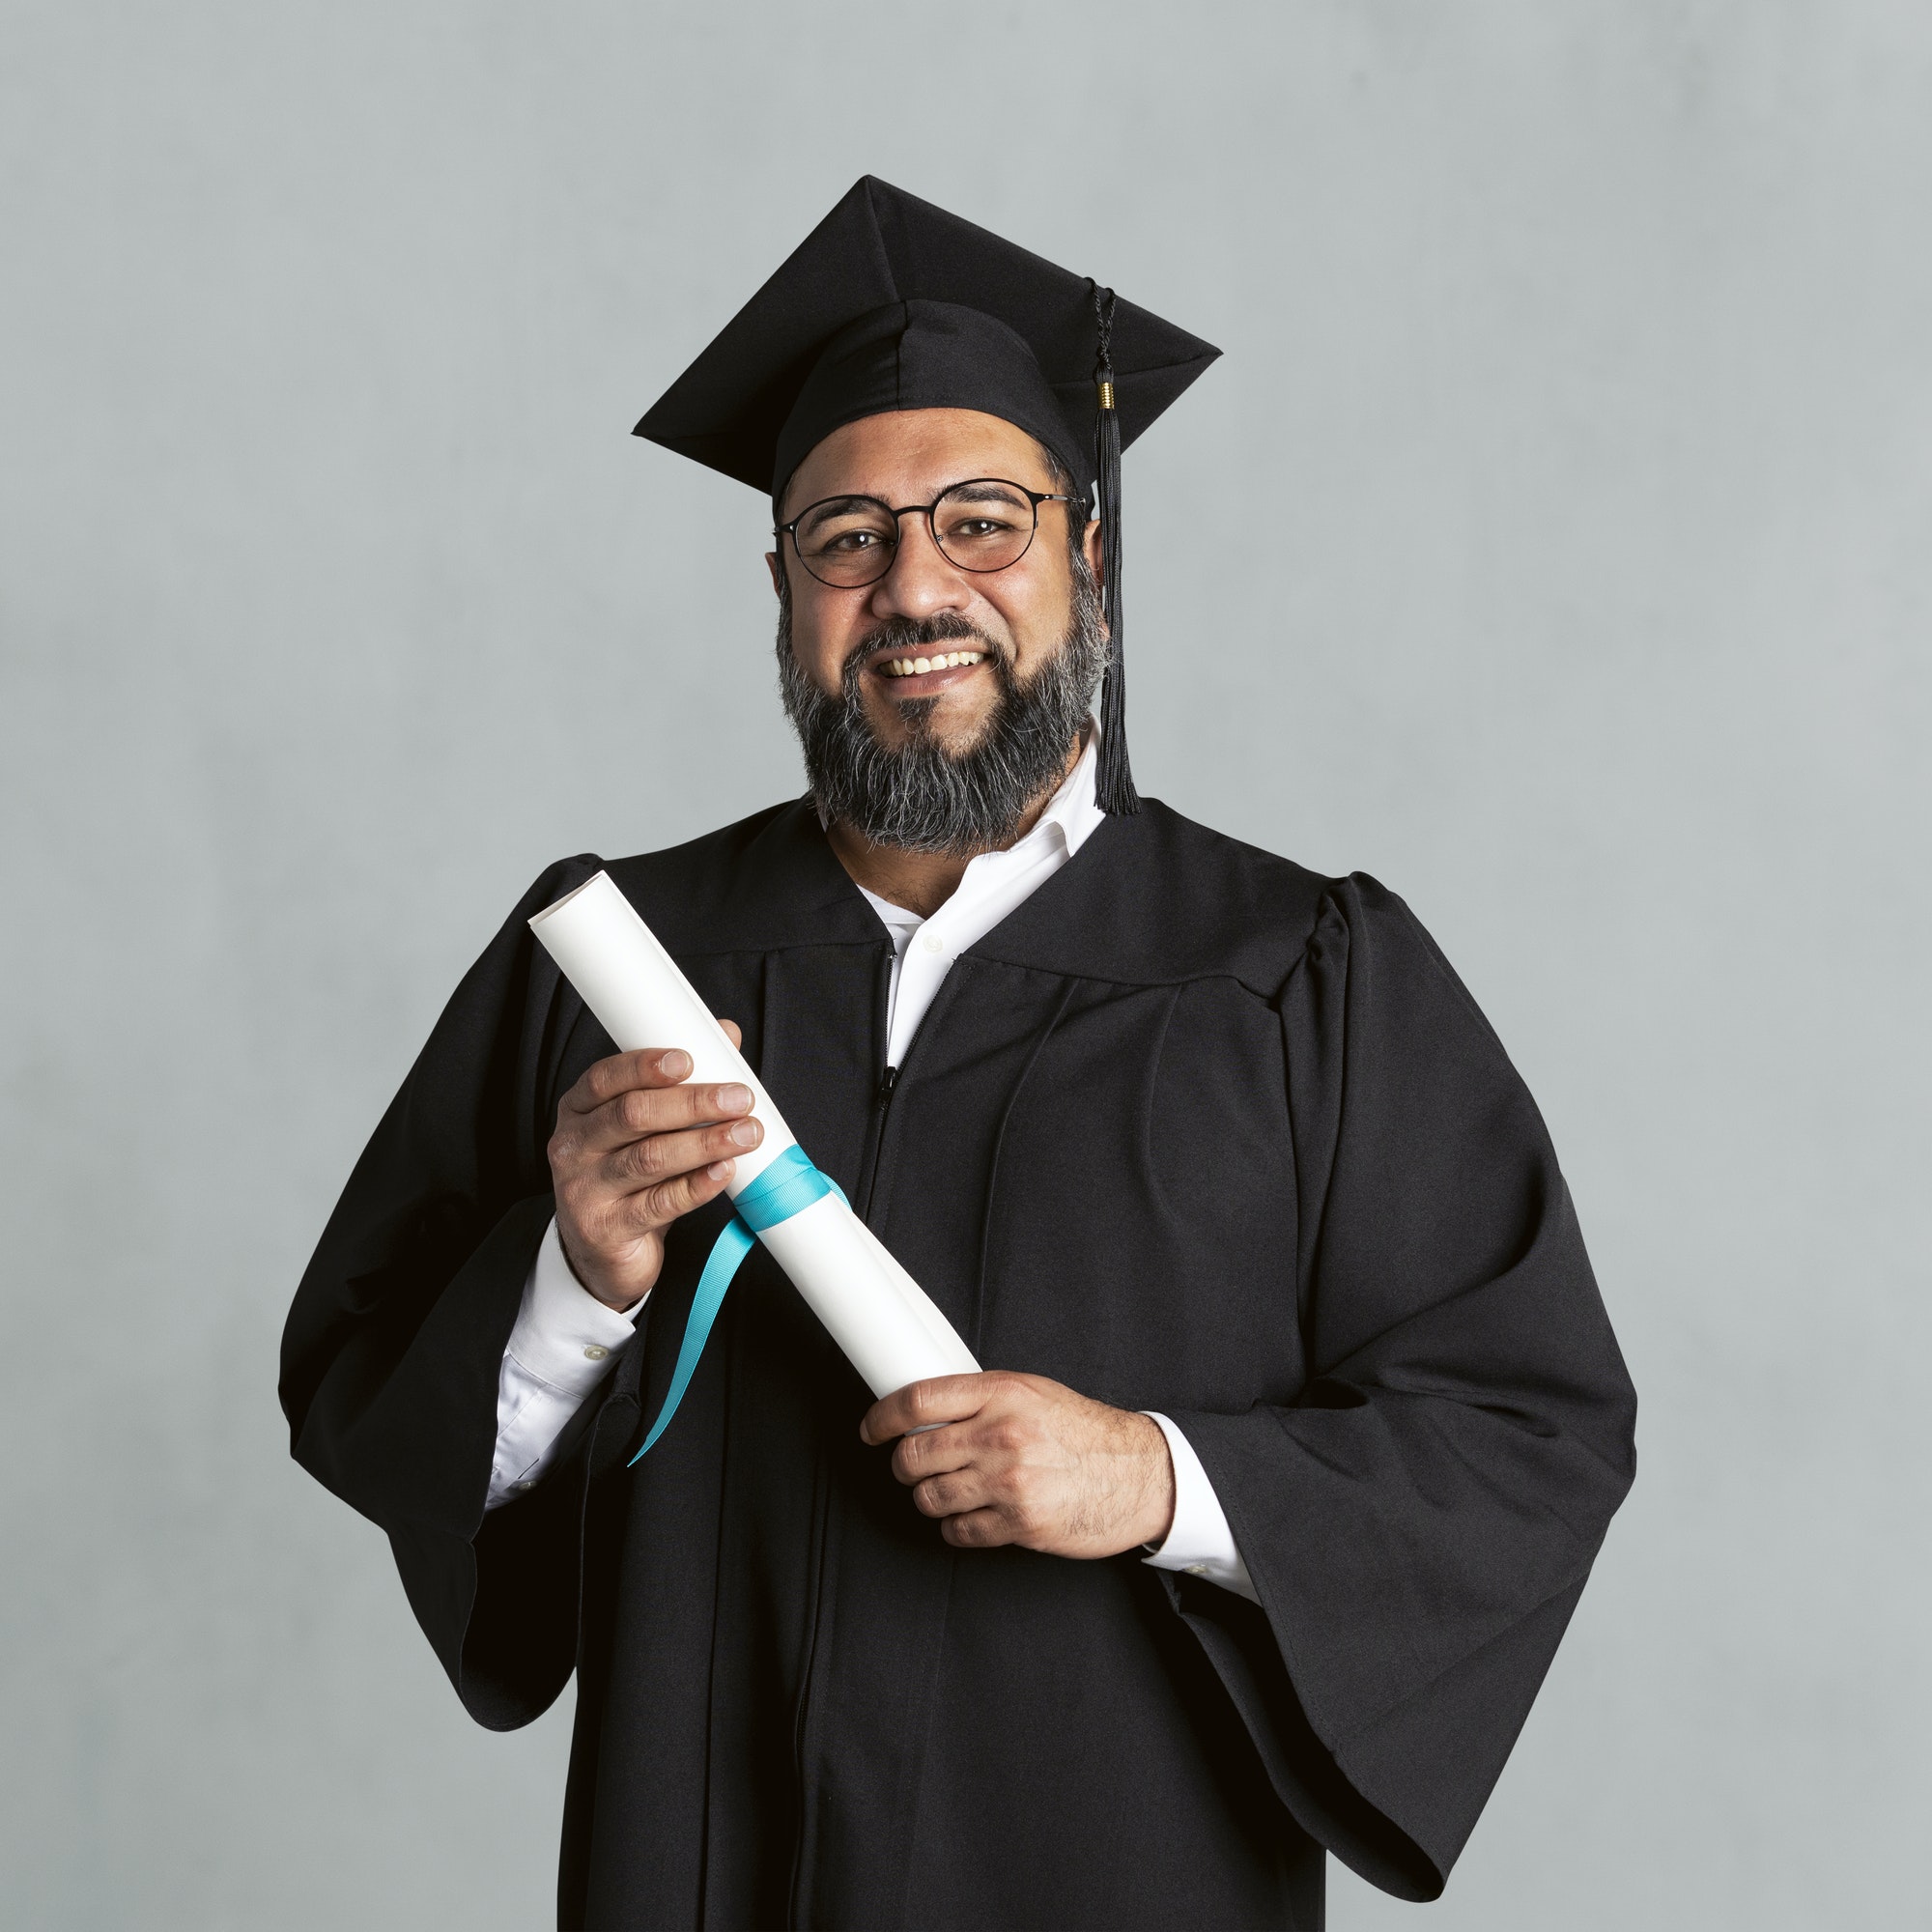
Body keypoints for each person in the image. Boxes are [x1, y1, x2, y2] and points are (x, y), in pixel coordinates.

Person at [281, 177, 1636, 1932]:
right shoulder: (625, 967)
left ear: (1086, 554)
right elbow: (368, 1397)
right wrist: (575, 1277)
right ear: (786, 590)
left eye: (981, 522)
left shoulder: (1299, 978)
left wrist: (1158, 1478)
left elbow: (1525, 1434)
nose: (916, 585)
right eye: (848, 537)